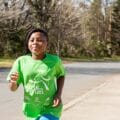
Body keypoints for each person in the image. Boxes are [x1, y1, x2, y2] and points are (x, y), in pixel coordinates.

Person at [7, 28, 65, 120]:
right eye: (32, 40)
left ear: (47, 44)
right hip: (31, 110)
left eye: (40, 40)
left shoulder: (55, 61)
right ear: (28, 43)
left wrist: (58, 94)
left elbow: (61, 75)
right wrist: (13, 82)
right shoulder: (21, 62)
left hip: (51, 108)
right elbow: (12, 88)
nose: (35, 43)